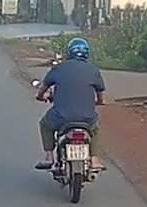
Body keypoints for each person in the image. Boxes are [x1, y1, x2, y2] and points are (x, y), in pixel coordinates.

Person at [35, 37, 106, 172]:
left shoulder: (58, 68)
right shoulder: (93, 70)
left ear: (69, 52)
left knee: (45, 125)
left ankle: (49, 157)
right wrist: (99, 102)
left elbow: (44, 87)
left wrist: (40, 97)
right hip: (87, 118)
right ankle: (94, 160)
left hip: (61, 117)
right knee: (95, 129)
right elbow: (100, 94)